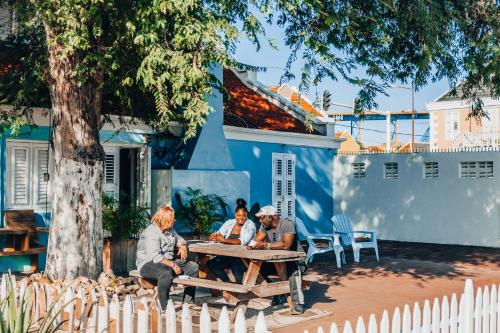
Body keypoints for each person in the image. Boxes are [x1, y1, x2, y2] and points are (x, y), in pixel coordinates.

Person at [136, 206, 199, 310]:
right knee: (166, 272)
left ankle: (188, 302)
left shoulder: (170, 230)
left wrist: (182, 246)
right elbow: (155, 257)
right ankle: (164, 307)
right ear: (164, 219)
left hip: (166, 262)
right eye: (172, 218)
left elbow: (180, 239)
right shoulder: (151, 232)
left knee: (193, 267)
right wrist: (173, 265)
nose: (174, 220)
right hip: (148, 264)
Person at [251, 205, 305, 315]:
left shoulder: (287, 224)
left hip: (295, 260)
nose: (260, 220)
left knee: (292, 271)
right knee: (255, 269)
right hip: (275, 260)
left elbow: (286, 245)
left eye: (262, 218)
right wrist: (252, 245)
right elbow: (257, 240)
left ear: (270, 218)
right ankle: (278, 293)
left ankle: (297, 303)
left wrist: (264, 244)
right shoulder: (264, 226)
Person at [207, 199, 256, 284]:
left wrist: (223, 240)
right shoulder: (229, 223)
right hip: (229, 255)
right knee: (212, 264)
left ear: (246, 215)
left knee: (236, 267)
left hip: (244, 257)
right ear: (235, 215)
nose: (241, 218)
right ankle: (228, 283)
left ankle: (240, 289)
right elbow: (219, 234)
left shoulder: (250, 225)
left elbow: (242, 242)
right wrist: (213, 236)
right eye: (239, 215)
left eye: (244, 215)